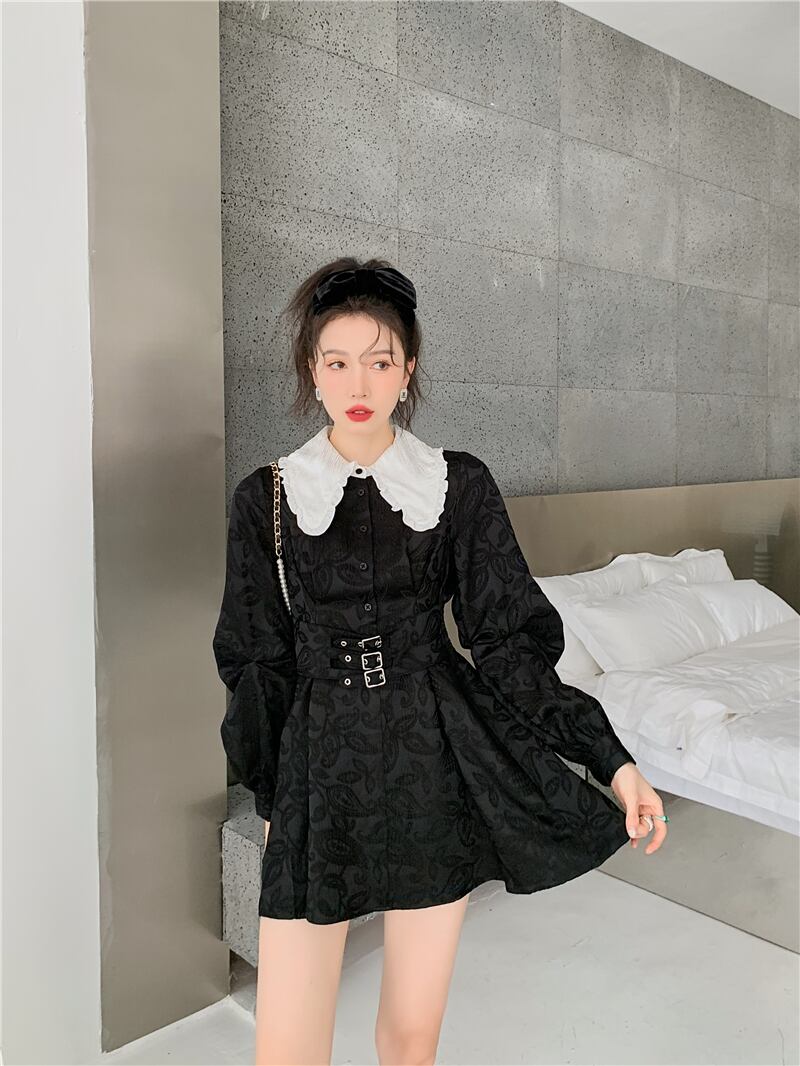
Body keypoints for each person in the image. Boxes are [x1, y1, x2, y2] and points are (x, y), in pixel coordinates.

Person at [212, 257, 669, 1066]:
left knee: (411, 1039)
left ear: (408, 368)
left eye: (379, 360)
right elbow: (255, 660)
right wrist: (273, 789)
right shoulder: (268, 499)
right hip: (320, 769)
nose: (359, 383)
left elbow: (508, 643)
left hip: (433, 763)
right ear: (311, 371)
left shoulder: (457, 485)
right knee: (286, 1050)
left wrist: (611, 757)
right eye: (336, 362)